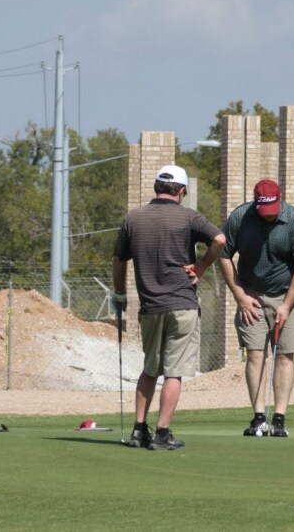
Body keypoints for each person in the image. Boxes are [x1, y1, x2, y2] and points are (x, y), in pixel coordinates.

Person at [112, 164, 225, 451]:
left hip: (149, 306)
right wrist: (201, 266)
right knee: (173, 372)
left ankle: (139, 430)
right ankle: (161, 434)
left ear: (156, 187)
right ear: (182, 191)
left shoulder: (133, 218)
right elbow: (220, 239)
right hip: (182, 304)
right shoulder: (189, 217)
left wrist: (120, 293)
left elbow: (119, 260)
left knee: (150, 369)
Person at [219, 179, 294, 438]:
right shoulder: (240, 218)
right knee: (254, 354)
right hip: (251, 295)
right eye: (263, 212)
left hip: (288, 294)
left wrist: (286, 305)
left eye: (272, 211)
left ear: (280, 200)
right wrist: (239, 295)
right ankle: (259, 418)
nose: (268, 217)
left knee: (285, 355)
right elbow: (223, 255)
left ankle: (279, 418)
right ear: (255, 203)